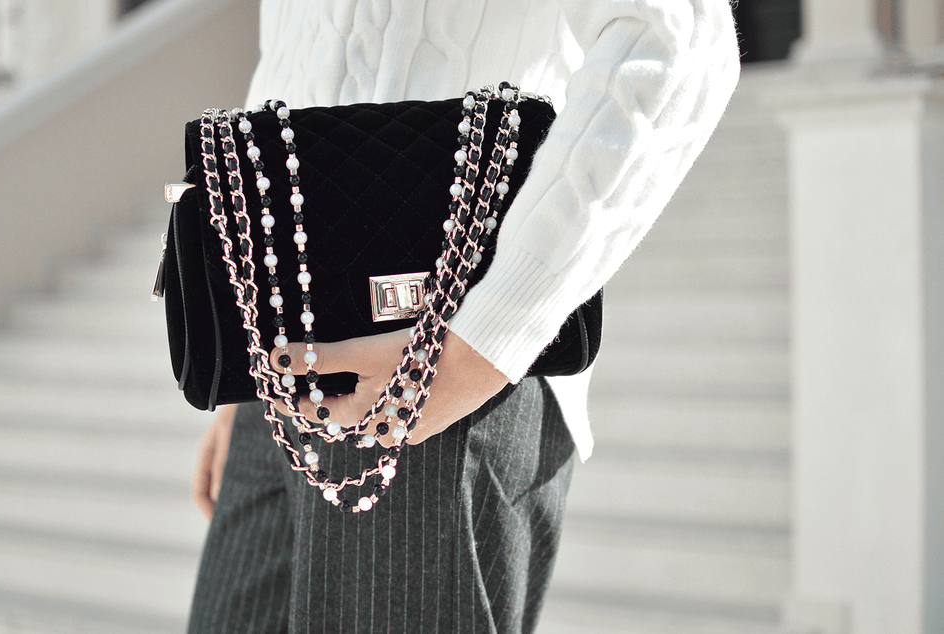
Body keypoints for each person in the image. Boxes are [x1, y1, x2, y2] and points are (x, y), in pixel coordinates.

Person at [187, 1, 740, 633]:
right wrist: (250, 347)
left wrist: (488, 337)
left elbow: (681, 35)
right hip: (284, 369)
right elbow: (296, 60)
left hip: (445, 366)